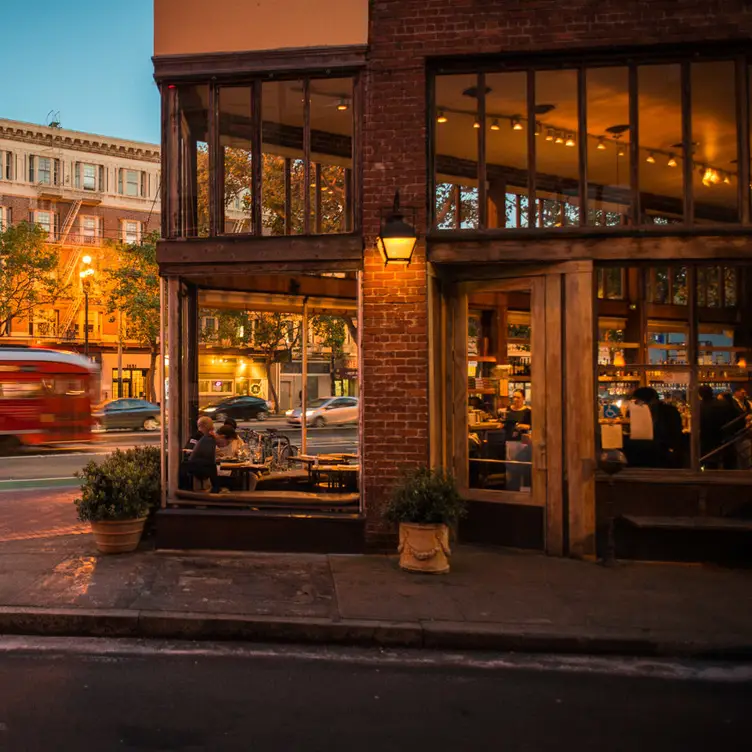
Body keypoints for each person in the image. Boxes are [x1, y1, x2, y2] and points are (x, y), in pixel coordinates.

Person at [185, 415, 220, 493]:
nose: (213, 428)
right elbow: (190, 451)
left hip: (194, 465)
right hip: (197, 467)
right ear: (205, 426)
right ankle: (216, 488)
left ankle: (215, 488)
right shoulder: (202, 437)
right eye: (211, 426)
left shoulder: (204, 437)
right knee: (212, 466)